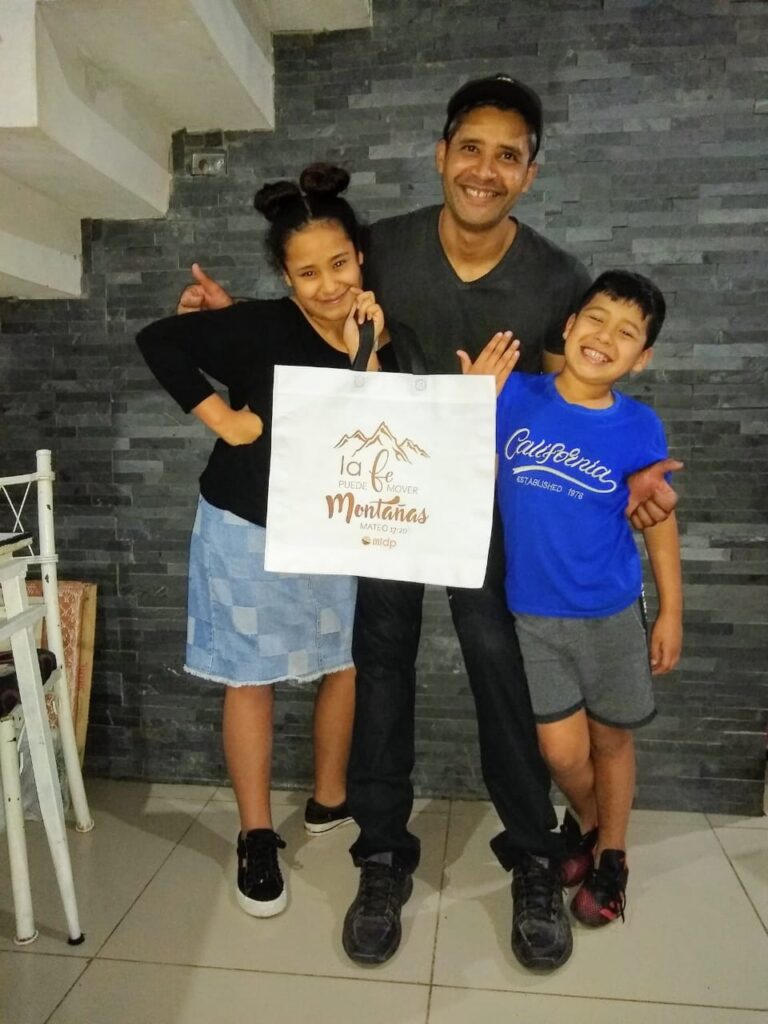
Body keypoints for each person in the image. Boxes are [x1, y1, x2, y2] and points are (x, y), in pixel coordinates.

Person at [174, 75, 680, 970]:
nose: (486, 169)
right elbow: (322, 302)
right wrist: (239, 322)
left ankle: (532, 854)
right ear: (443, 154)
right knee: (382, 667)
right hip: (388, 503)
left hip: (485, 509)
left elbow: (573, 398)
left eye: (508, 156)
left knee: (500, 669)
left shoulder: (556, 277)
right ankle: (381, 855)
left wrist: (626, 481)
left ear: (529, 172)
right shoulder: (384, 247)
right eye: (471, 148)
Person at [135, 163, 392, 920]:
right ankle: (254, 836)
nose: (328, 283)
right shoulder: (259, 324)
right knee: (250, 677)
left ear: (360, 257)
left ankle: (329, 800)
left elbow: (381, 420)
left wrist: (369, 345)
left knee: (342, 661)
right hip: (246, 524)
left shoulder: (376, 325)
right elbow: (160, 340)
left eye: (339, 263)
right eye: (307, 272)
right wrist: (223, 419)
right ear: (285, 276)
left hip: (332, 525)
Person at [488, 269, 682, 927]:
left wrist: (672, 611)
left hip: (610, 614)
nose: (605, 337)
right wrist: (468, 400)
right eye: (596, 318)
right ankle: (597, 823)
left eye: (627, 332)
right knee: (563, 753)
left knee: (611, 743)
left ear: (642, 357)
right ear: (569, 326)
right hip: (534, 617)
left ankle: (612, 856)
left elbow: (659, 521)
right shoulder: (513, 395)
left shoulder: (638, 426)